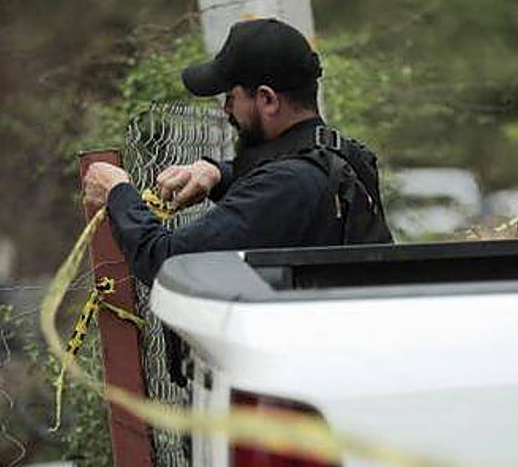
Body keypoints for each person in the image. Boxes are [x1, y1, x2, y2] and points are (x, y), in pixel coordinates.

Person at [83, 17, 392, 285]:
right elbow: (283, 181)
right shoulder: (341, 155)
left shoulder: (285, 185)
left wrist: (118, 193)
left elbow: (168, 262)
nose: (227, 109)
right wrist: (215, 174)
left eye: (231, 96)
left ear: (268, 100)